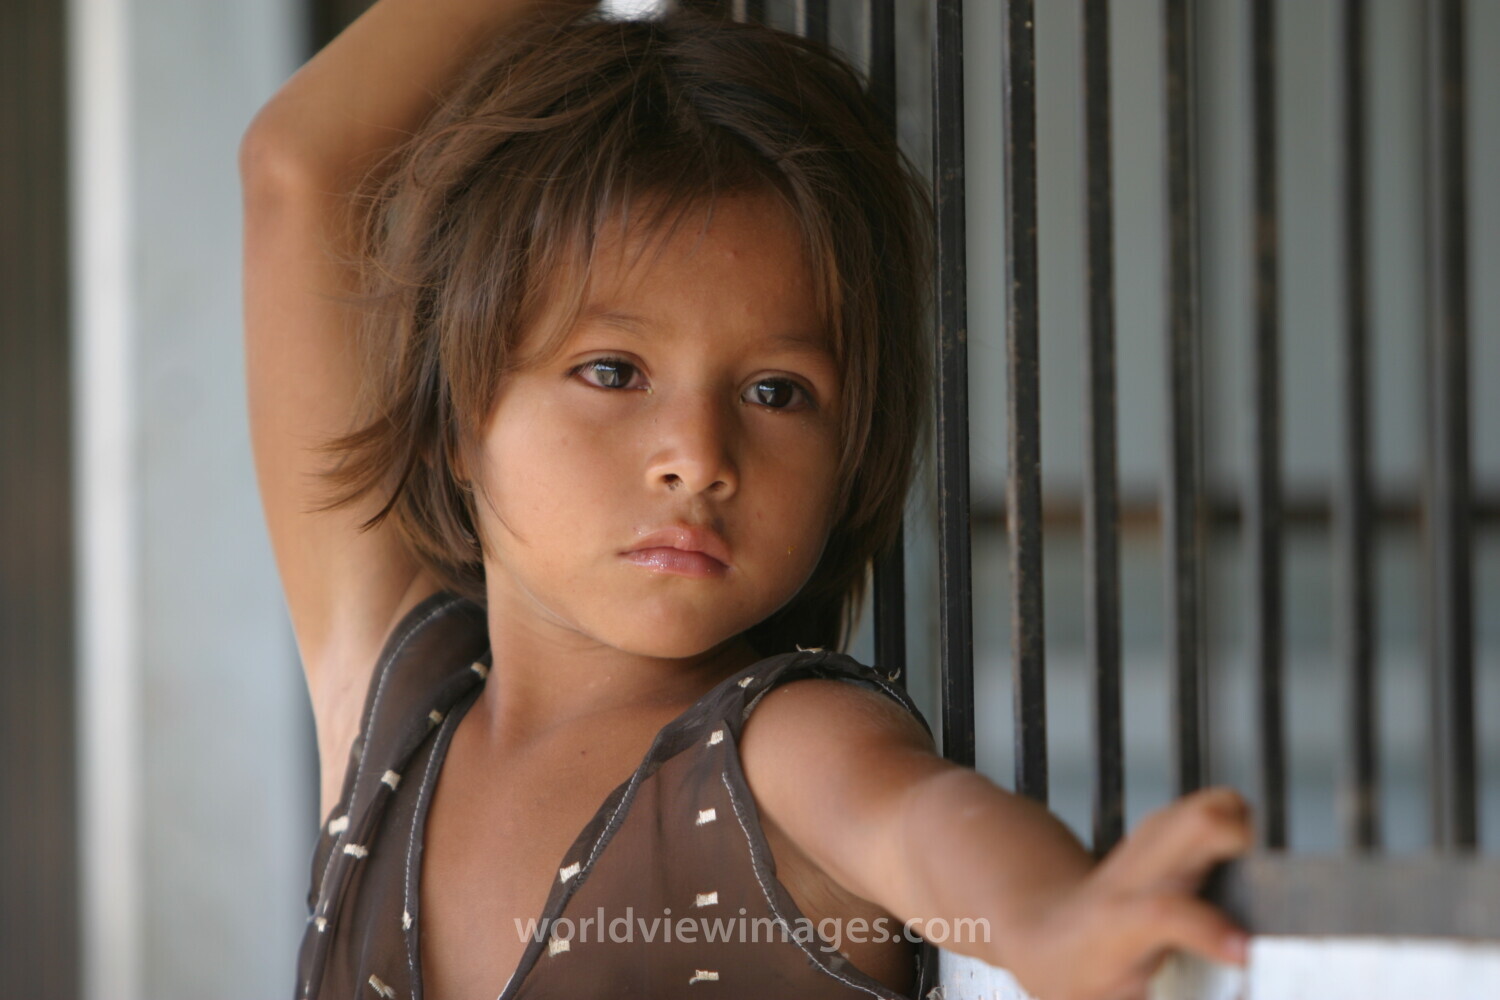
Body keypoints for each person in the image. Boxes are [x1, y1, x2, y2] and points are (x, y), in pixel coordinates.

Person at [239, 2, 1255, 999]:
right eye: (613, 371)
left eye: (775, 392)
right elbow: (299, 169)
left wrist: (1049, 922)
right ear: (461, 416)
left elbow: (924, 827)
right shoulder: (395, 707)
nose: (699, 456)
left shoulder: (776, 747)